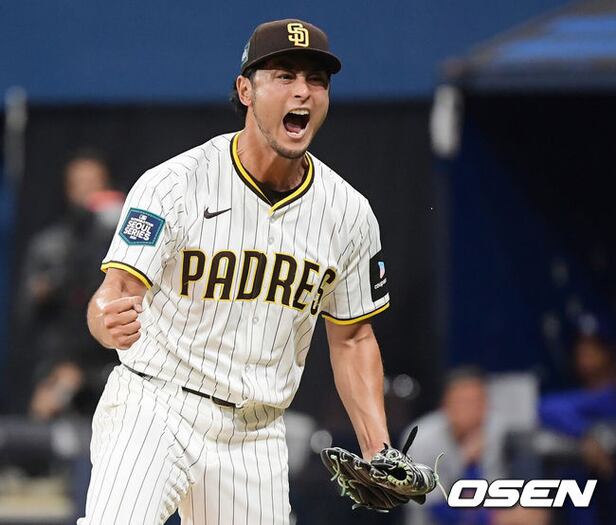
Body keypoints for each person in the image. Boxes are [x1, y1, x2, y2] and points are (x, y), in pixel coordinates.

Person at [80, 19, 391, 524]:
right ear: (246, 90)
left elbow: (353, 337)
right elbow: (114, 291)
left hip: (255, 431)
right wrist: (103, 319)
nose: (303, 91)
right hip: (156, 404)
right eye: (284, 76)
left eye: (316, 80)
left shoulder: (348, 213)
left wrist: (377, 448)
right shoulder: (174, 184)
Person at [17, 151, 123, 419]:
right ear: (68, 190)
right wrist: (51, 285)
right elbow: (28, 311)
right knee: (47, 408)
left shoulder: (123, 246)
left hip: (116, 362)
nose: (88, 191)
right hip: (64, 364)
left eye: (94, 183)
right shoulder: (51, 245)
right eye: (81, 184)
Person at [402, 367, 508, 525]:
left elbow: (495, 496)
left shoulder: (496, 431)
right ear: (445, 405)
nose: (472, 410)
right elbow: (438, 511)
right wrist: (467, 463)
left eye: (479, 401)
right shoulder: (419, 439)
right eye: (463, 402)